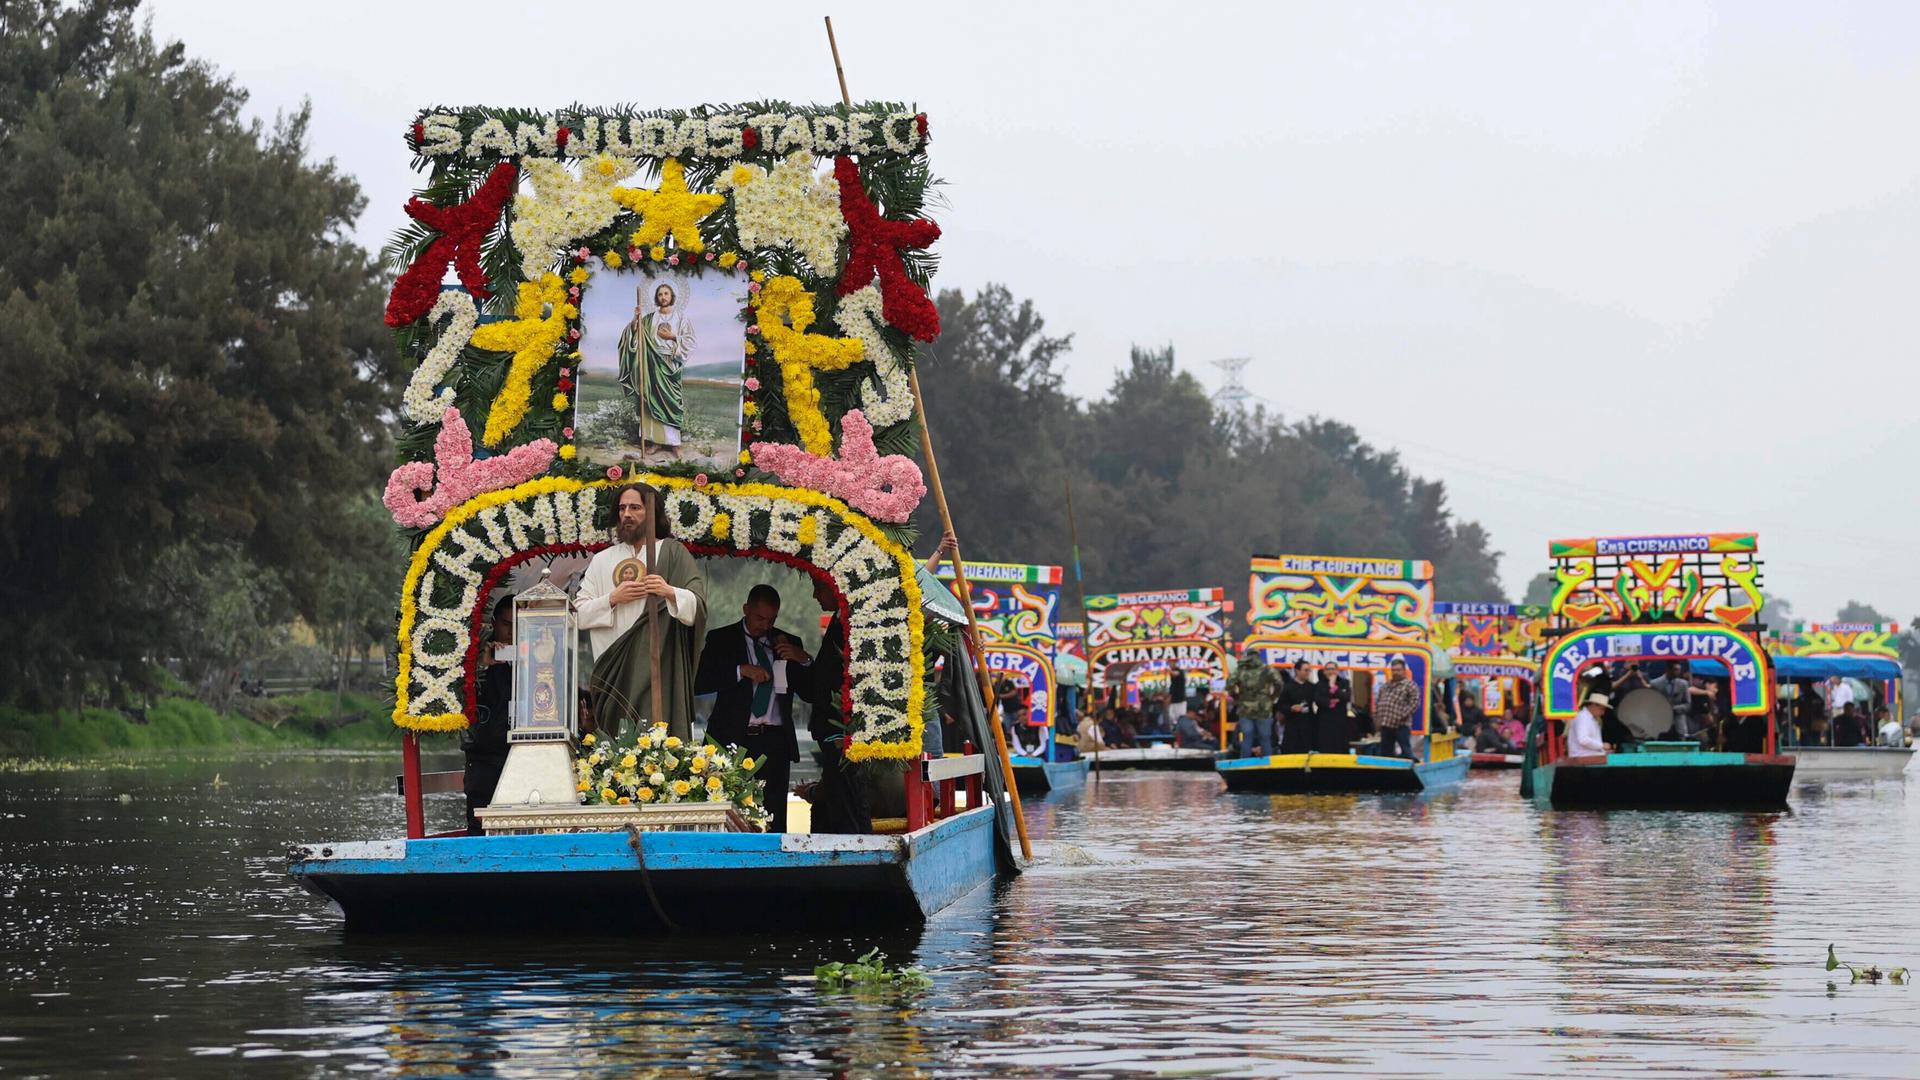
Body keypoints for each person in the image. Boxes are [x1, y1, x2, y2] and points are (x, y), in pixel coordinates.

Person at [579, 485, 708, 739]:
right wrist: (613, 599)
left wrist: (669, 591)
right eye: (622, 508)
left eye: (635, 508)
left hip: (659, 669)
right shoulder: (602, 560)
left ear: (652, 513)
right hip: (614, 672)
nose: (627, 514)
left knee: (658, 747)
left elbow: (698, 606)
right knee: (616, 753)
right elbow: (579, 614)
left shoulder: (673, 552)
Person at [695, 583, 810, 832]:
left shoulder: (788, 642)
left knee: (773, 816)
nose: (765, 626)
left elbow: (811, 692)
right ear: (745, 609)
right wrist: (740, 670)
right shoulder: (721, 638)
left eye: (771, 620)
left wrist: (803, 659)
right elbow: (699, 681)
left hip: (775, 742)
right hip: (733, 739)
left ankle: (775, 868)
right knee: (728, 812)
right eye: (759, 618)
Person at [802, 575, 870, 834]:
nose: (815, 596)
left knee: (848, 801)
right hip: (830, 729)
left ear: (834, 588)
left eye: (818, 588)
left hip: (843, 730)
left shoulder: (851, 622)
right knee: (835, 800)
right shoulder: (838, 619)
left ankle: (858, 851)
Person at [618, 282, 696, 458]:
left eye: (666, 294)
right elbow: (634, 337)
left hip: (670, 363)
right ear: (656, 298)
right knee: (650, 401)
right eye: (660, 294)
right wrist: (635, 320)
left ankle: (674, 444)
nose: (663, 297)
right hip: (650, 365)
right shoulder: (649, 319)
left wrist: (672, 336)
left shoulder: (681, 318)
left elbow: (690, 341)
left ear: (672, 297)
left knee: (672, 403)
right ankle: (654, 442)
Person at [462, 593, 514, 833]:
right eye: (506, 625)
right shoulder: (478, 655)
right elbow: (469, 700)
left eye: (519, 626)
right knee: (479, 822)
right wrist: (485, 666)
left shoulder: (538, 655)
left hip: (519, 752)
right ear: (494, 623)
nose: (512, 633)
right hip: (485, 754)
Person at [1227, 647, 1282, 758]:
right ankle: (1267, 764)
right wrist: (1272, 697)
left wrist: (1236, 697)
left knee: (1247, 736)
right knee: (1265, 737)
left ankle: (1245, 765)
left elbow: (1229, 684)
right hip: (1264, 706)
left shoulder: (1240, 669)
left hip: (1245, 707)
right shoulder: (1266, 669)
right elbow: (1279, 683)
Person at [1373, 657, 1421, 759]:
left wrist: (1402, 715)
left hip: (1401, 724)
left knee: (1406, 752)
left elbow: (1415, 702)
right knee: (1386, 753)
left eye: (1398, 670)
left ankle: (1411, 772)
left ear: (1404, 671)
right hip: (1386, 724)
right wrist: (1378, 718)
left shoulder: (1410, 685)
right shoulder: (1386, 685)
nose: (1395, 672)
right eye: (1393, 670)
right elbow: (1379, 701)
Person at [1279, 660, 1321, 754]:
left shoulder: (1312, 687)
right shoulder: (1288, 687)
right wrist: (1291, 708)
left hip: (1309, 725)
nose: (1308, 673)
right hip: (1292, 725)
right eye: (1305, 670)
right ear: (1297, 671)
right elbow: (1280, 705)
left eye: (1309, 671)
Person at [1318, 661, 1352, 753]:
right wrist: (1333, 702)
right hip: (1325, 722)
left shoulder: (1345, 683)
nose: (1330, 671)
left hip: (1340, 722)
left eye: (1333, 669)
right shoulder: (1319, 685)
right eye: (1328, 669)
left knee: (1341, 747)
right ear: (1324, 671)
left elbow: (1346, 697)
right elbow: (1319, 700)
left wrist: (1333, 686)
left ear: (1337, 671)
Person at [1568, 692, 1611, 758]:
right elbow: (1583, 740)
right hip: (1582, 757)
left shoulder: (1590, 718)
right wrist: (1602, 745)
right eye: (1602, 709)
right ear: (1594, 705)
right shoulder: (1583, 717)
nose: (1603, 713)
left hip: (1588, 756)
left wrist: (1602, 749)